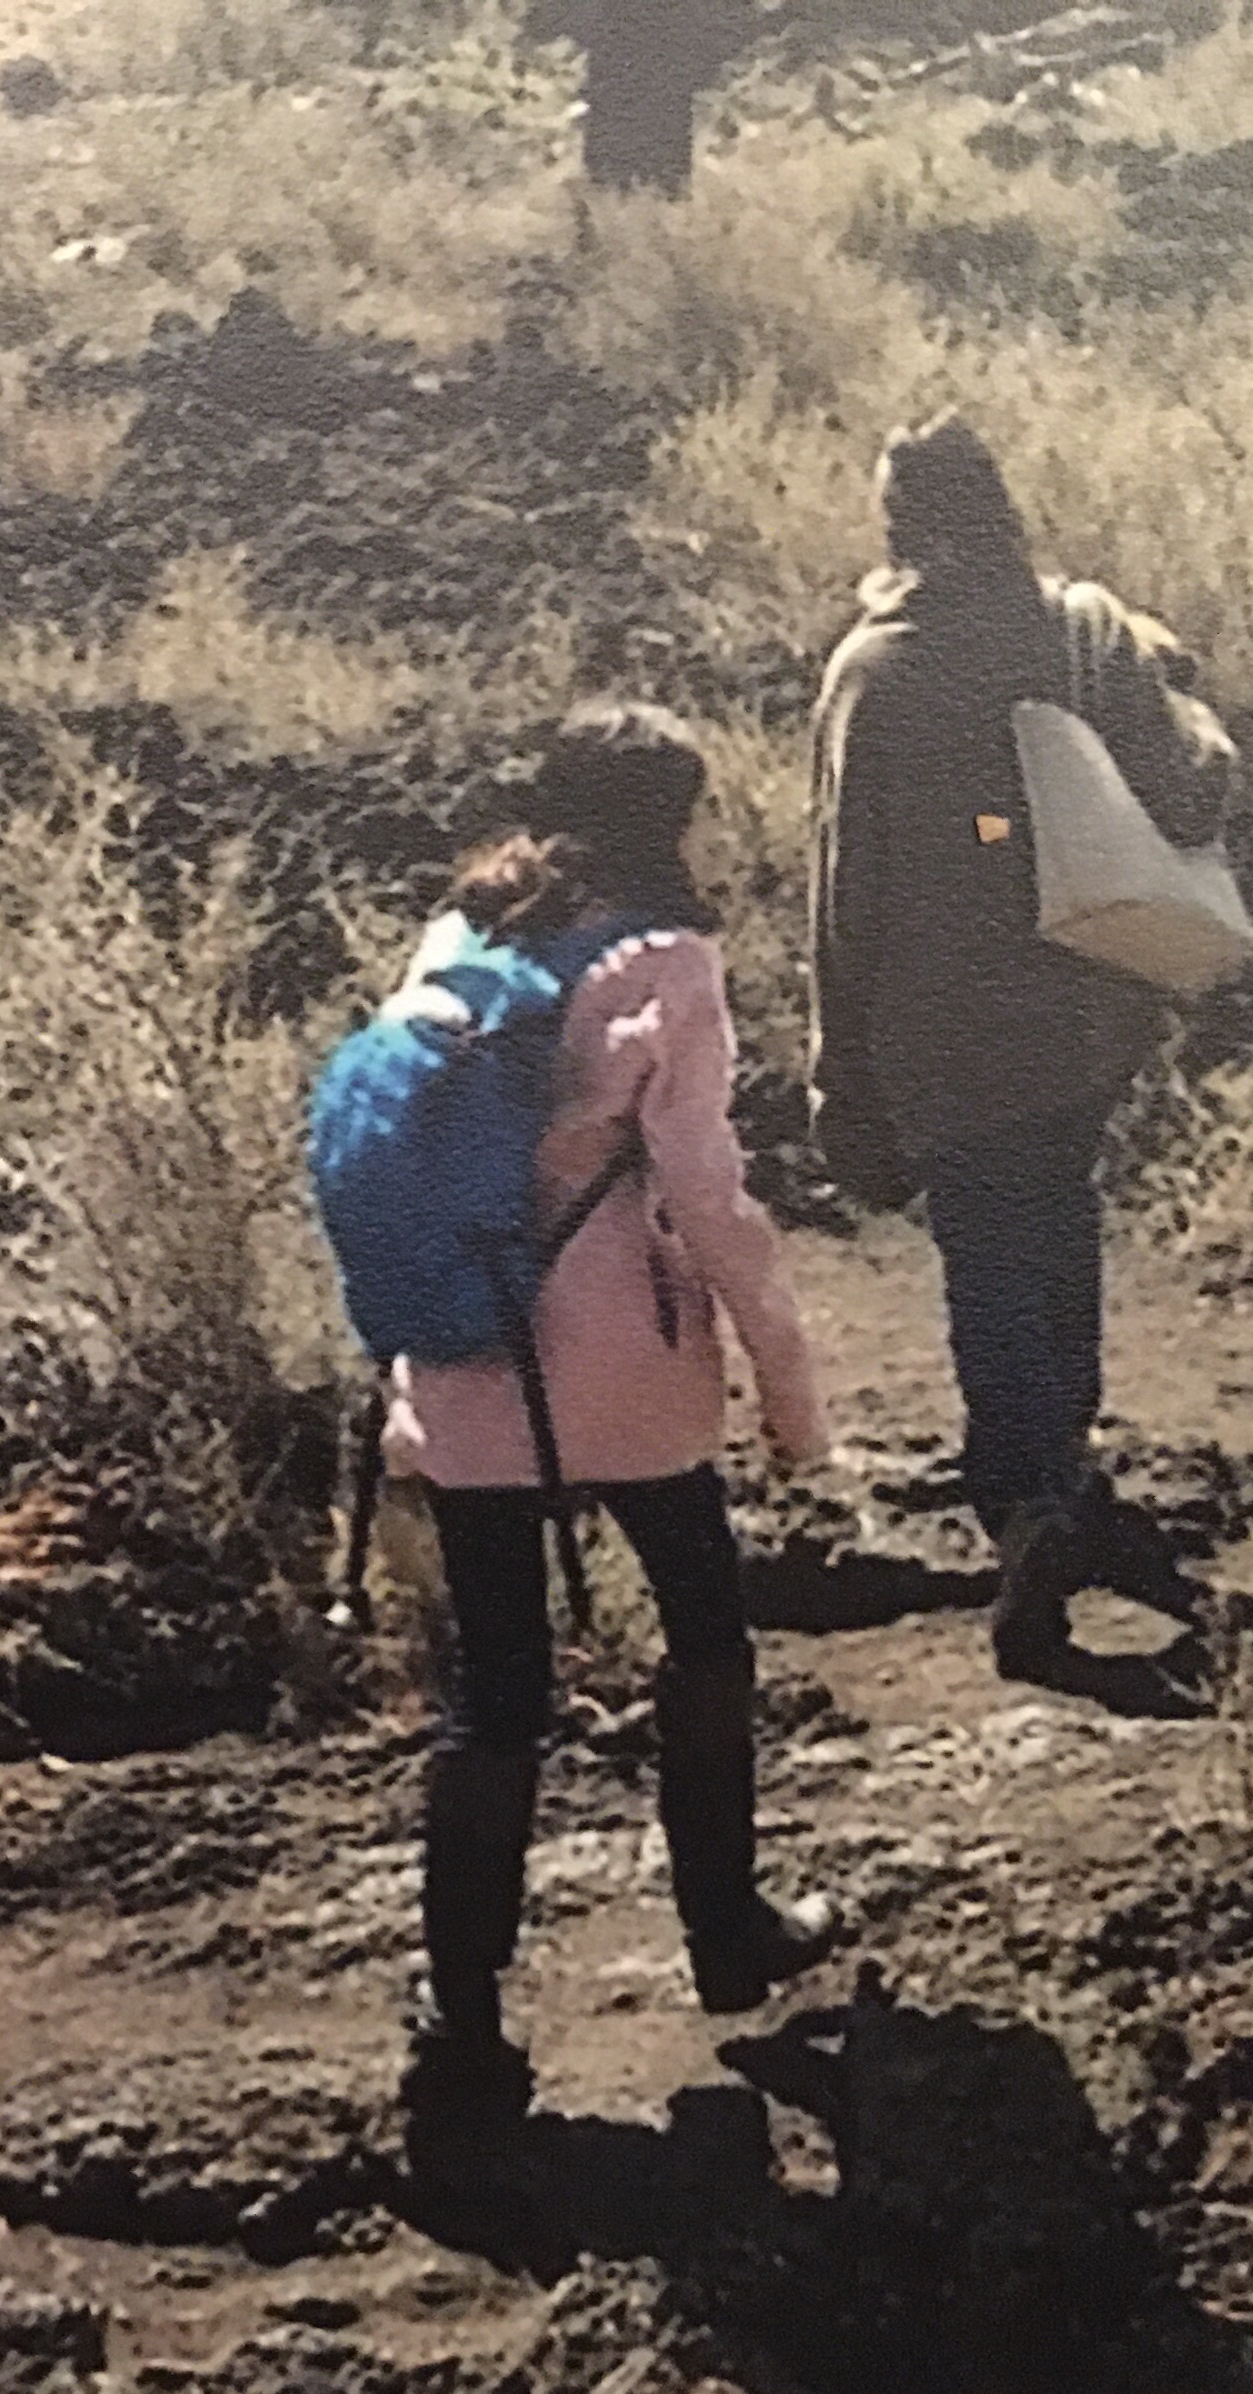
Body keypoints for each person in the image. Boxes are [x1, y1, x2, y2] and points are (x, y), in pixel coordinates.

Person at [384, 701, 842, 2141]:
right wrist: (788, 1389)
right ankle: (726, 1931)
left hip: (467, 1359)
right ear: (671, 821)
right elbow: (705, 1197)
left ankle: (463, 2010)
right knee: (705, 1634)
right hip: (627, 1377)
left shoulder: (458, 936)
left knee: (496, 1692)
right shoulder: (668, 967)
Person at [807, 414, 1239, 1679]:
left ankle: (1030, 1497)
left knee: (988, 1253)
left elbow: (846, 889)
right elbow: (1195, 786)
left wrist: (839, 1071)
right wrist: (1170, 679)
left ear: (899, 522)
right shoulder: (1085, 631)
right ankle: (1066, 1467)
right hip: (1083, 1008)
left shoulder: (875, 672)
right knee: (1057, 1219)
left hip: (943, 1029)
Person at [525, 0, 767, 196]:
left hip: (626, 89)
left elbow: (542, 24)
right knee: (659, 198)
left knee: (612, 195)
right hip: (655, 89)